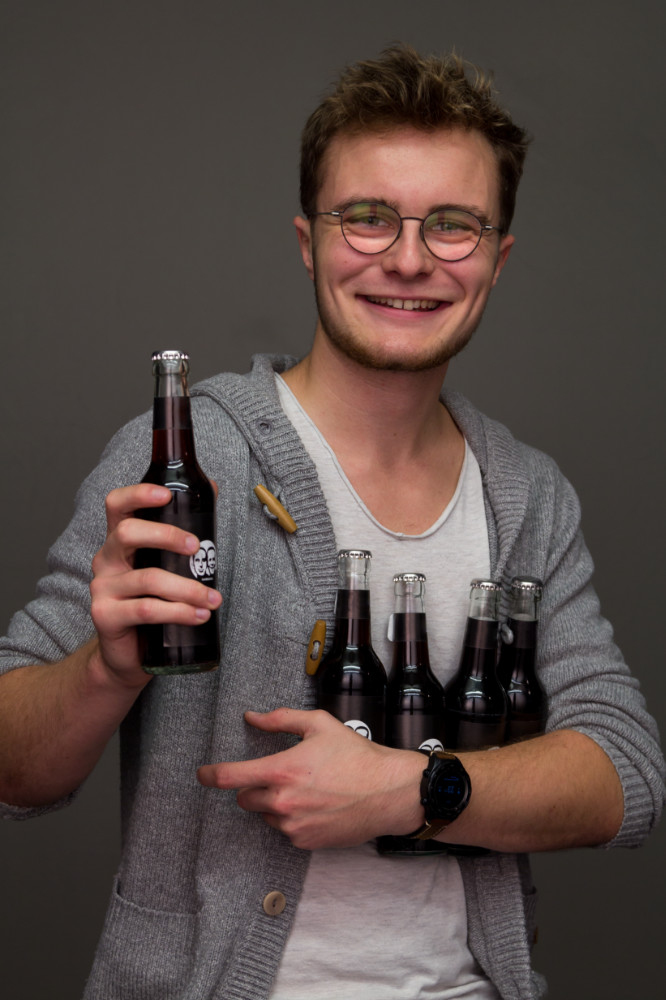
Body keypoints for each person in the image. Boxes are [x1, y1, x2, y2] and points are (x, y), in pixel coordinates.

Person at [0, 45, 663, 1000]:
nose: (408, 258)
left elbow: (626, 775)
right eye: (367, 217)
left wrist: (413, 789)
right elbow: (13, 771)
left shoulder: (528, 495)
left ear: (498, 258)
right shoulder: (193, 454)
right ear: (309, 241)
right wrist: (104, 670)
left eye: (453, 225)